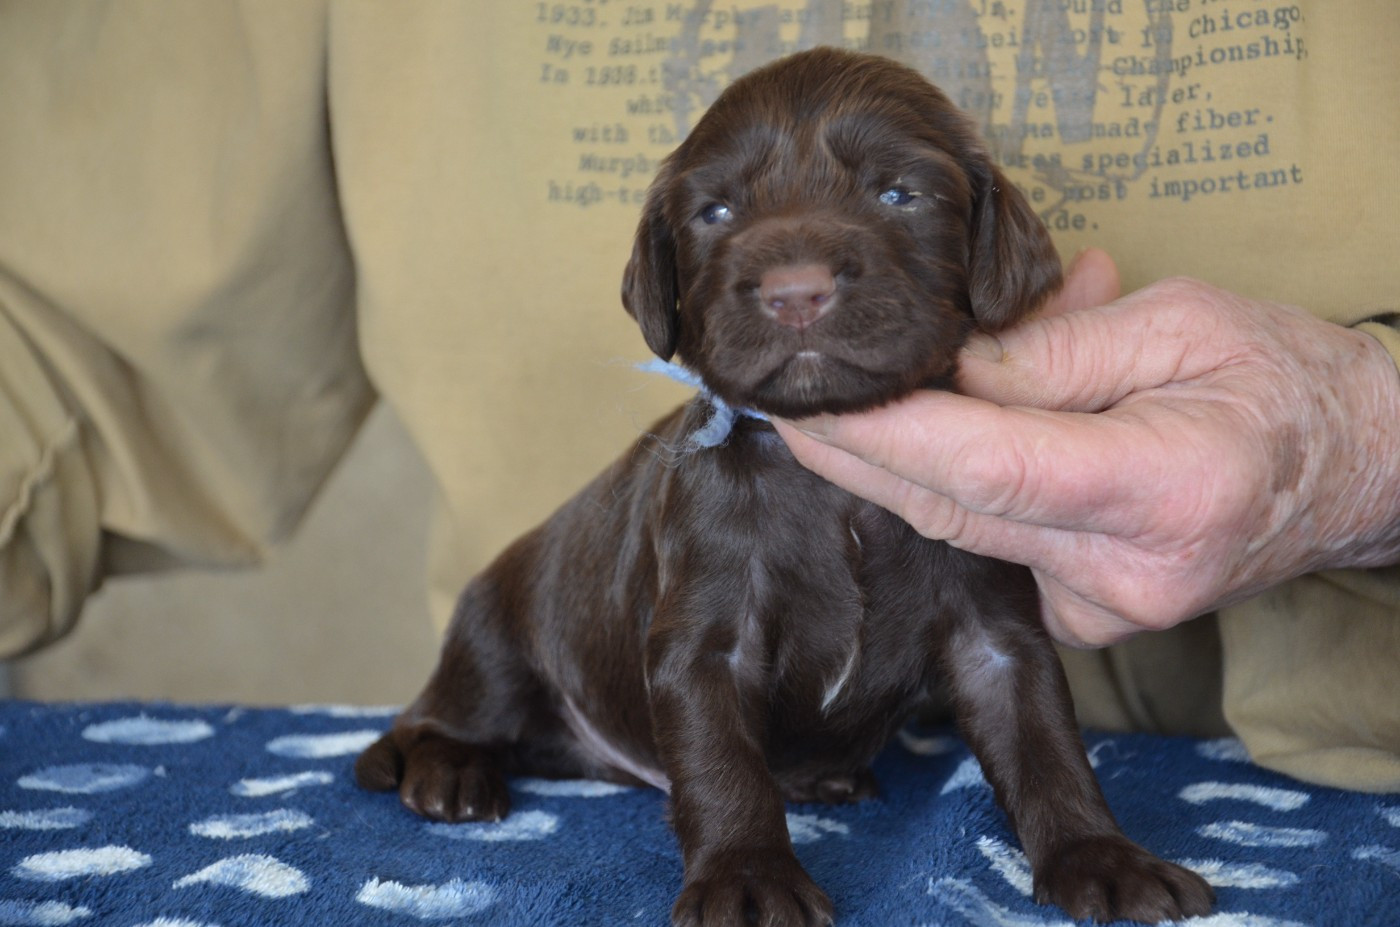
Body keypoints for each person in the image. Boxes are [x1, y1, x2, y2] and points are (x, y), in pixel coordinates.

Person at [2, 3, 1396, 790]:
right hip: (593, 769)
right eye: (725, 219)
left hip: (1329, 779)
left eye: (897, 194)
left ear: (995, 249)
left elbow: (992, 645)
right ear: (670, 283)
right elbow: (50, 339)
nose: (792, 273)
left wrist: (1371, 444)